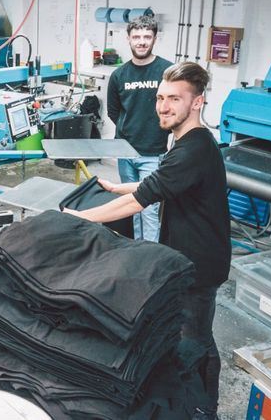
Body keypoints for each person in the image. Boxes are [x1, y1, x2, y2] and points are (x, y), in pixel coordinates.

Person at [65, 62, 231, 420]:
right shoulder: (189, 143)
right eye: (160, 98)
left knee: (194, 342)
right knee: (197, 334)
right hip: (192, 256)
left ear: (197, 102)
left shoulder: (193, 149)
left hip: (199, 265)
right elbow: (160, 182)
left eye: (174, 99)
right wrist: (116, 187)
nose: (163, 107)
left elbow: (140, 200)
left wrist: (83, 217)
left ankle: (202, 410)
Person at [107, 16, 172, 241]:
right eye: (136, 37)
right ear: (128, 39)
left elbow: (174, 107)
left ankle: (150, 254)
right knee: (131, 205)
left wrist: (156, 131)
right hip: (125, 152)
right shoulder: (119, 75)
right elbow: (113, 111)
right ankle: (136, 248)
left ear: (155, 38)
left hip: (152, 152)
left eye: (147, 37)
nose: (141, 42)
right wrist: (129, 129)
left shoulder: (167, 71)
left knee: (149, 209)